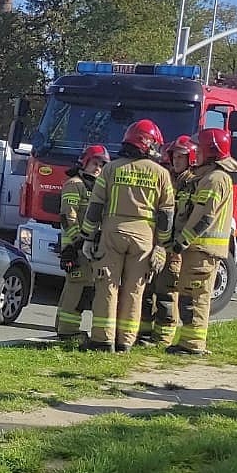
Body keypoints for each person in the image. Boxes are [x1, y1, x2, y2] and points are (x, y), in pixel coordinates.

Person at [79, 120, 174, 351]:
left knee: (106, 286)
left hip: (112, 234)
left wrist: (88, 237)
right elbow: (166, 214)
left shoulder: (111, 169)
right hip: (144, 239)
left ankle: (102, 340)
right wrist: (161, 245)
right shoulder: (161, 174)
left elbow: (95, 207)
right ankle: (125, 342)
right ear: (148, 144)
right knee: (135, 290)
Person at [167, 128, 237, 356]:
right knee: (190, 295)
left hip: (202, 249)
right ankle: (189, 342)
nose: (195, 154)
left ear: (211, 152)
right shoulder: (209, 177)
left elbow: (205, 216)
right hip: (199, 249)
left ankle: (192, 345)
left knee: (195, 297)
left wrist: (182, 241)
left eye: (198, 150)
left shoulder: (214, 179)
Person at [140, 135, 198, 345]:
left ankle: (163, 338)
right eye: (174, 156)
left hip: (174, 250)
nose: (176, 160)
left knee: (166, 292)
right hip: (155, 244)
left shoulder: (193, 184)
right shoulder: (167, 179)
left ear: (190, 158)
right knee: (147, 289)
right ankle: (144, 332)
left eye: (181, 157)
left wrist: (175, 245)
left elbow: (189, 218)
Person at [54, 144, 109, 343]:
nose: (97, 168)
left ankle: (62, 326)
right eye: (95, 163)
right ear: (85, 162)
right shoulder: (74, 184)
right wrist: (77, 243)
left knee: (75, 286)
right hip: (76, 248)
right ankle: (68, 332)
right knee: (77, 288)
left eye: (102, 165)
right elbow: (68, 215)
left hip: (87, 247)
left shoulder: (96, 187)